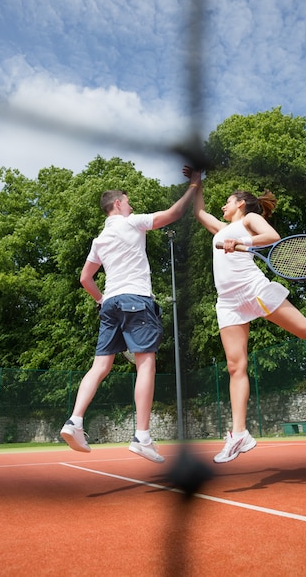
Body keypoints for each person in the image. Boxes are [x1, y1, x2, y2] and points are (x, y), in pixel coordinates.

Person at [188, 173, 306, 464]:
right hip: (228, 302)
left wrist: (240, 242)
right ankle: (239, 434)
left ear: (241, 204)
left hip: (254, 289)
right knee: (236, 367)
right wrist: (196, 183)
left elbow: (272, 237)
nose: (223, 205)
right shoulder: (222, 228)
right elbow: (198, 212)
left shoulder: (247, 221)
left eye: (227, 201)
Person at [60, 168, 201, 463]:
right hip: (136, 299)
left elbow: (86, 278)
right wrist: (194, 184)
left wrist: (100, 300)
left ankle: (74, 421)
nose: (132, 205)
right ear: (118, 204)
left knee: (100, 366)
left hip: (110, 303)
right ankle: (142, 436)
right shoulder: (132, 223)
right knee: (146, 364)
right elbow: (174, 213)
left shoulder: (99, 239)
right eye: (128, 201)